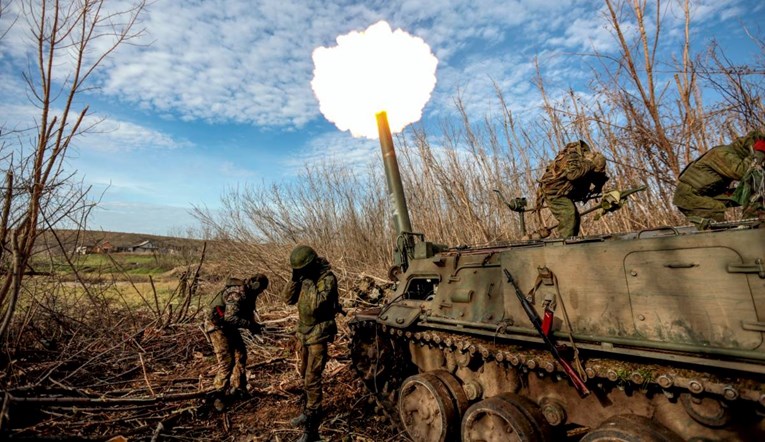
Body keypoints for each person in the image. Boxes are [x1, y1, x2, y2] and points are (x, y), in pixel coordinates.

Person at [282, 245, 341, 442]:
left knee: (312, 379)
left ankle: (312, 430)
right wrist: (294, 279)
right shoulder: (304, 277)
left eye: (303, 270)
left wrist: (307, 281)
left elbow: (316, 306)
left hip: (318, 334)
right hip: (304, 334)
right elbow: (287, 299)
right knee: (304, 373)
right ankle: (307, 412)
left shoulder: (327, 278)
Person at [673, 130, 765, 226]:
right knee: (716, 216)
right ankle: (745, 234)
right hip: (689, 196)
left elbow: (755, 178)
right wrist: (759, 153)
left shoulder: (737, 156)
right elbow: (743, 173)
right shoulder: (722, 153)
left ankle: (755, 225)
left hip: (711, 193)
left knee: (753, 194)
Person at [205, 274, 268, 404]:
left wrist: (254, 327)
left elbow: (246, 315)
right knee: (227, 362)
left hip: (228, 326)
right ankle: (218, 395)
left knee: (241, 355)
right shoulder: (236, 293)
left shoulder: (249, 294)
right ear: (256, 286)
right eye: (261, 290)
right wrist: (250, 325)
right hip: (217, 327)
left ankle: (238, 388)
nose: (261, 293)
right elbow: (230, 317)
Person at [537, 139, 609, 237]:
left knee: (575, 217)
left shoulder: (585, 163)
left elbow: (596, 176)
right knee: (569, 214)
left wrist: (599, 184)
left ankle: (571, 241)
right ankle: (564, 246)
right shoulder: (573, 157)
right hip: (553, 191)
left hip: (563, 192)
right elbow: (572, 175)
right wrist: (590, 164)